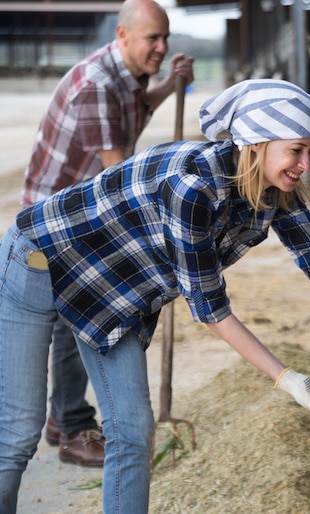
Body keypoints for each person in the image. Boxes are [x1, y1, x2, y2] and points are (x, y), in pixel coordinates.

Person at [0, 78, 310, 512]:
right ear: (256, 144)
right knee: (20, 433)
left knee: (132, 433)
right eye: (297, 149)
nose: (305, 164)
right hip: (40, 260)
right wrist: (287, 379)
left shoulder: (275, 189)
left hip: (114, 294)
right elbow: (210, 308)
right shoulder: (191, 190)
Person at [21, 0, 194, 468]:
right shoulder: (97, 84)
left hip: (82, 203)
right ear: (122, 35)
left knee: (78, 309)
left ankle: (63, 418)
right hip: (57, 215)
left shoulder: (123, 76)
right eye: (152, 39)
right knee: (77, 311)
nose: (161, 47)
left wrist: (168, 85)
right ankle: (74, 426)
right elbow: (116, 174)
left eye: (165, 38)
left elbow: (136, 109)